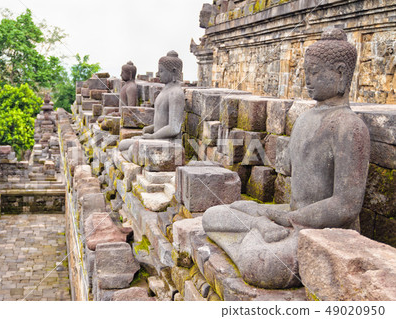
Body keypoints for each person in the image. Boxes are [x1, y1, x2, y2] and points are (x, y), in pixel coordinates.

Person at [202, 28, 371, 289]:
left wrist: (292, 220)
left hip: (322, 232)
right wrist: (269, 216)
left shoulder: (350, 126)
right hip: (289, 218)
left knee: (263, 264)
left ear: (341, 73)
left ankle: (254, 239)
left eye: (314, 72)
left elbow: (346, 205)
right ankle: (257, 227)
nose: (308, 79)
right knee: (213, 214)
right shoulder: (304, 118)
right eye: (306, 71)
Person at [118, 51, 185, 152]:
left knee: (127, 147)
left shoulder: (176, 93)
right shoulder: (166, 90)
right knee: (124, 144)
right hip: (158, 138)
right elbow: (162, 121)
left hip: (168, 142)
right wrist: (150, 129)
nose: (158, 74)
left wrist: (153, 137)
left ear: (174, 71)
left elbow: (174, 128)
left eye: (161, 71)